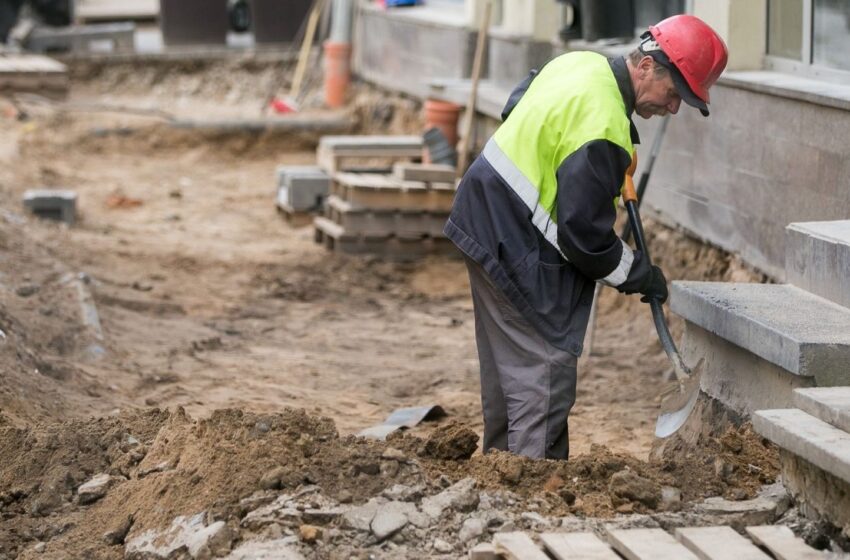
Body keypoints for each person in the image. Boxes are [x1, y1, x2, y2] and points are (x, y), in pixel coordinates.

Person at [444, 14, 728, 460]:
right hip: (511, 236)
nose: (673, 108)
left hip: (482, 211)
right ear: (648, 66)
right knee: (545, 365)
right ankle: (528, 489)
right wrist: (638, 273)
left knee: (509, 364)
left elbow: (516, 104)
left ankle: (501, 470)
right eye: (675, 94)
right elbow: (586, 240)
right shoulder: (605, 128)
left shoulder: (581, 64)